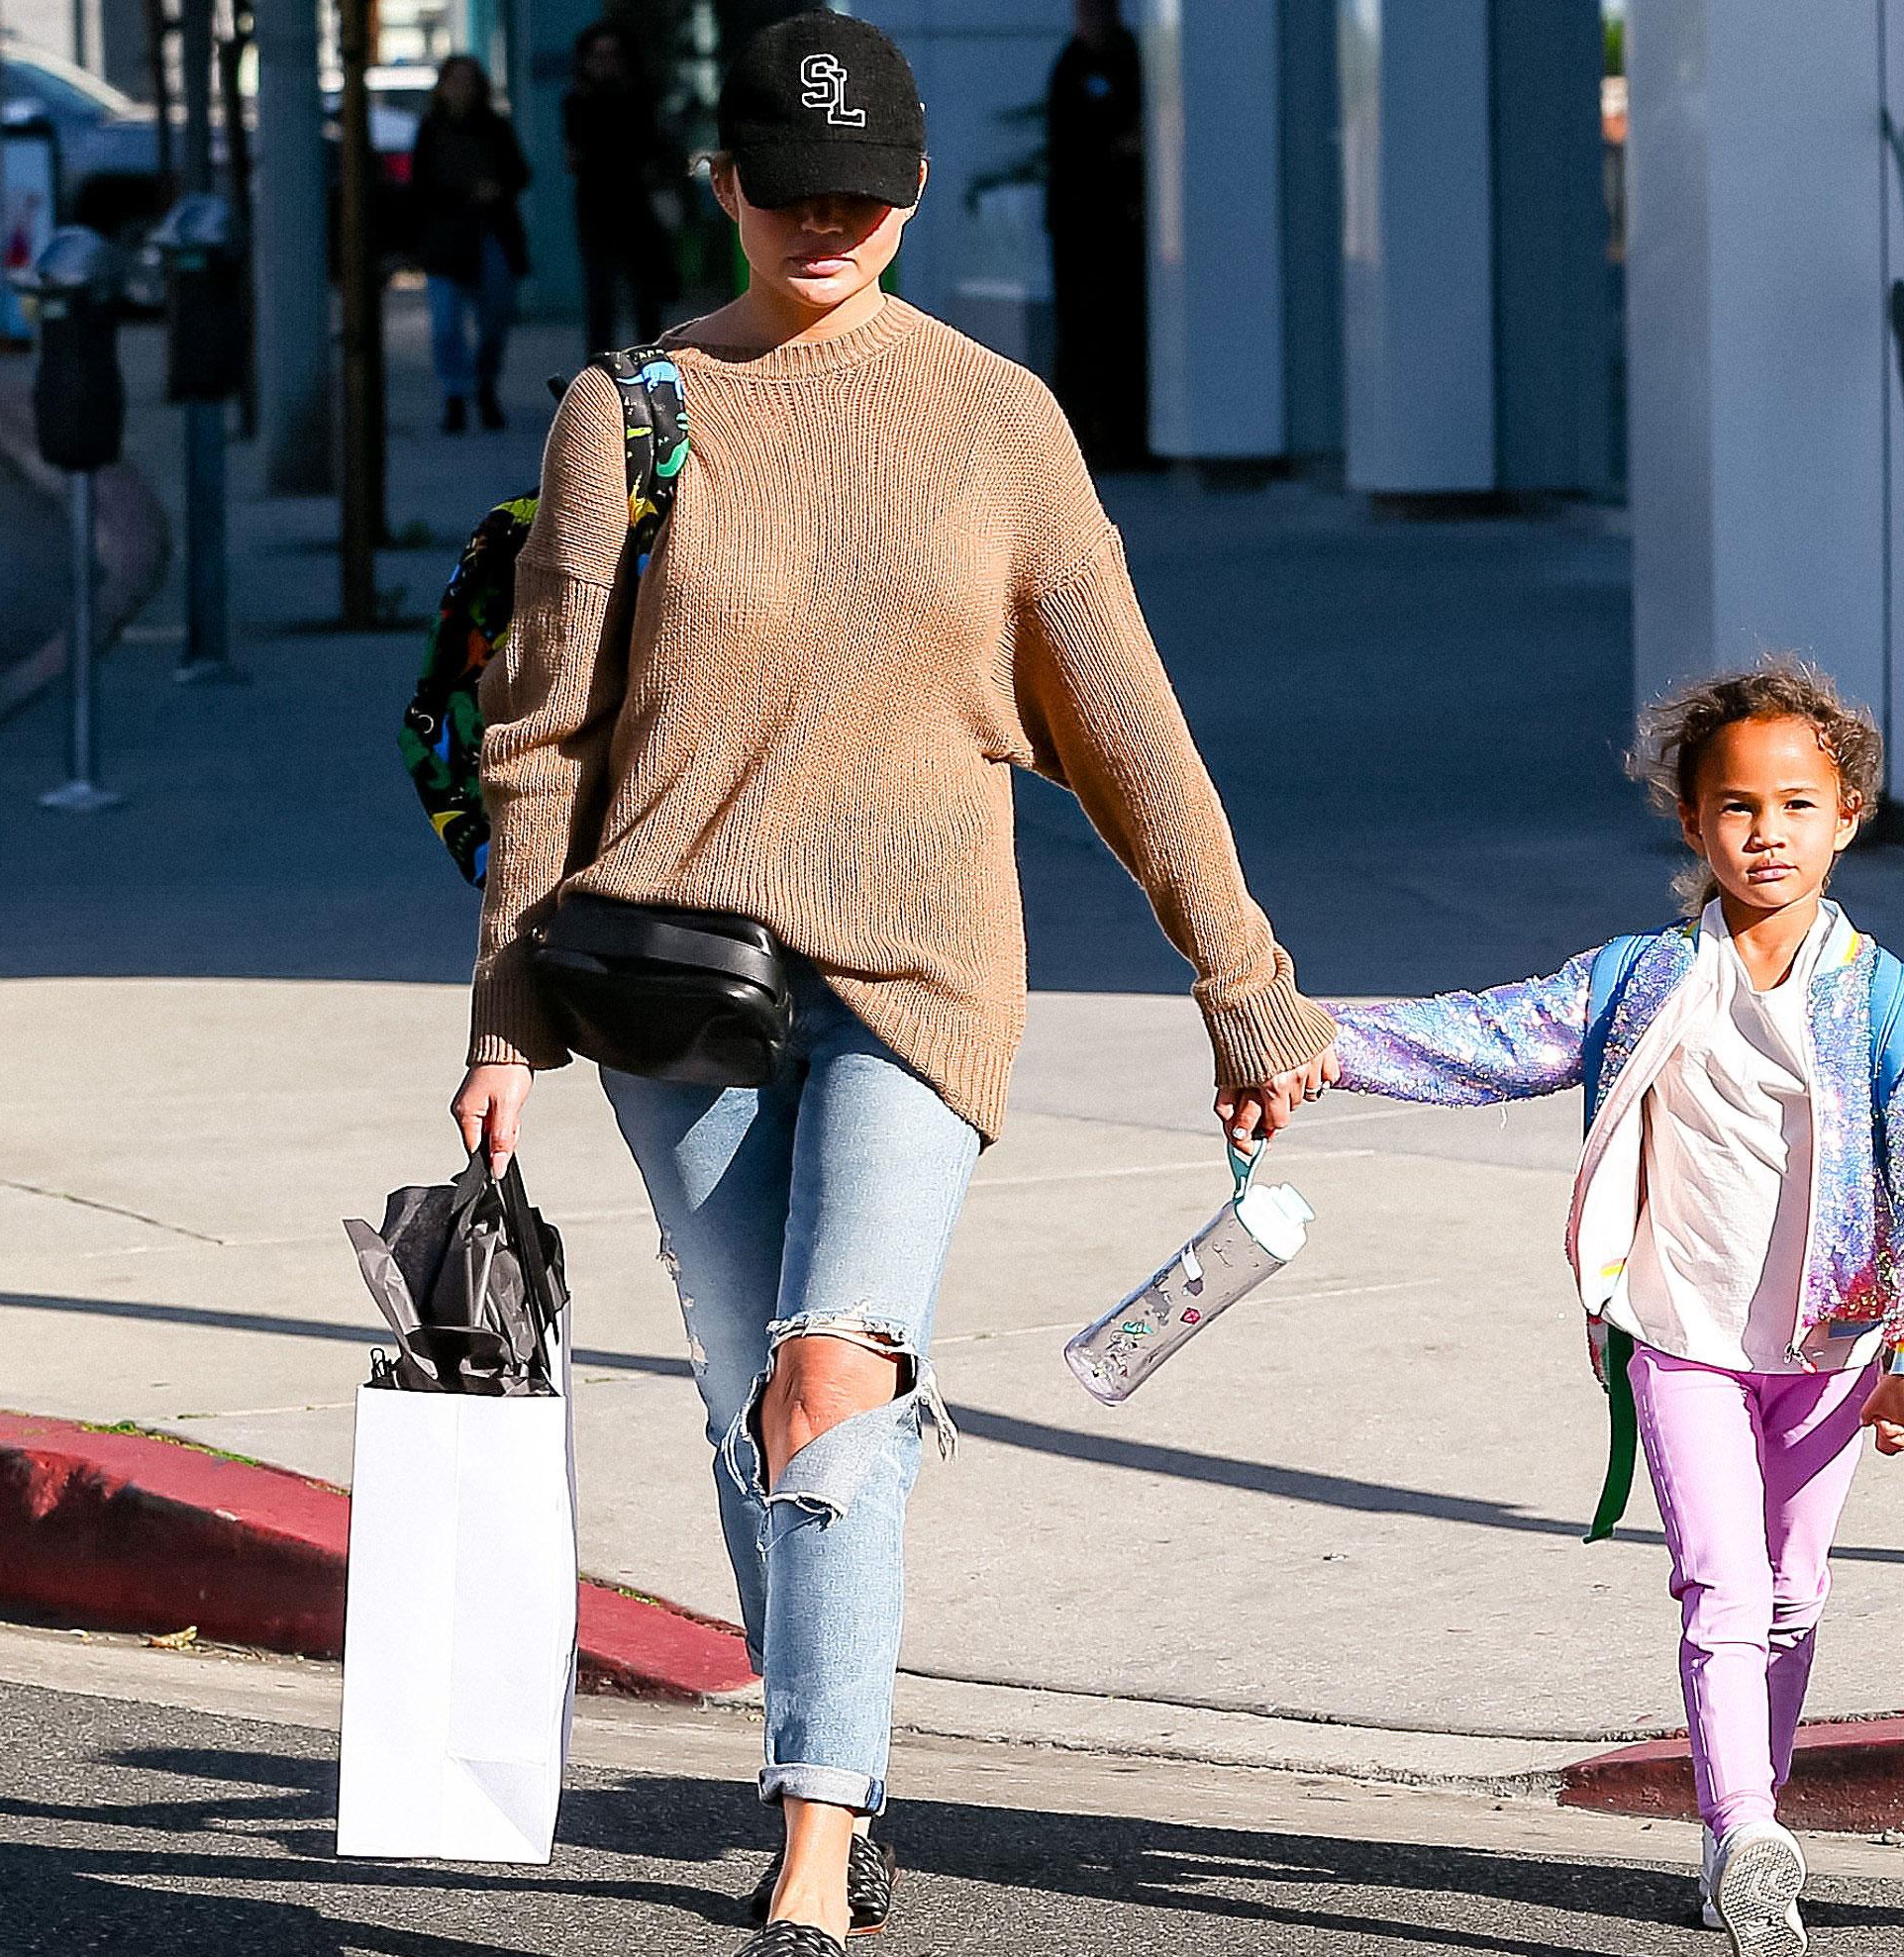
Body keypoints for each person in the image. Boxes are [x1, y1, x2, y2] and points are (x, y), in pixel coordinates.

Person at [449, 13, 1337, 1953]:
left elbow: (1121, 720)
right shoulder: (630, 412)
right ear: (723, 188)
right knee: (743, 1389)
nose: (828, 222)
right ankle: (823, 1742)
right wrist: (506, 1016)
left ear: (919, 192)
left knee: (828, 1365)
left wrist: (1239, 979)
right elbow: (535, 738)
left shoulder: (996, 419)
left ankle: (815, 1843)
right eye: (790, 191)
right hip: (676, 974)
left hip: (921, 972)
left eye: (865, 193)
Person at [1326, 660, 1904, 1957]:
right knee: (1722, 1585)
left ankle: (1754, 1827)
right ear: (1690, 822)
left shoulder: (1885, 1000)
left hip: (1834, 1357)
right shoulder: (1640, 981)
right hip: (1680, 1338)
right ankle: (1743, 1830)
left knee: (1793, 1591)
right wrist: (1323, 1045)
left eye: (1797, 804)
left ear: (1848, 814)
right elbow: (1493, 1034)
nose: (1767, 831)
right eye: (1736, 806)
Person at [1043, 0, 1148, 468]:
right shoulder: (1070, 65)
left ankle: (1128, 437)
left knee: (1125, 332)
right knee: (1081, 333)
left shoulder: (1128, 59)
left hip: (1122, 228)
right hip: (1079, 229)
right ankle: (1086, 438)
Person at [412, 54, 531, 432]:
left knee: (493, 322)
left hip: (491, 233)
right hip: (446, 239)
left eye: (469, 82)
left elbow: (520, 172)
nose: (462, 90)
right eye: (455, 82)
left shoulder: (495, 128)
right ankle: (455, 394)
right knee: (446, 324)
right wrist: (462, 193)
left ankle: (483, 386)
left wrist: (495, 190)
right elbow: (420, 184)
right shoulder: (431, 129)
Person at [564, 21, 682, 355]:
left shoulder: (640, 97)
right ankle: (599, 373)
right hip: (597, 208)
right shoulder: (578, 101)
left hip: (636, 207)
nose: (605, 63)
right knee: (600, 298)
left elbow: (650, 150)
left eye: (611, 55)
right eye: (597, 56)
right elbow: (579, 155)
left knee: (646, 296)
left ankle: (649, 367)